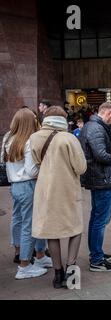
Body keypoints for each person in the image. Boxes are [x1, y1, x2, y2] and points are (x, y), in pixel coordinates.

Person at [30, 106, 87, 288]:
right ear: (63, 119)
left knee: (51, 232)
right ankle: (71, 272)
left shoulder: (34, 137)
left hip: (45, 190)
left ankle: (57, 273)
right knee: (75, 228)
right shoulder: (69, 138)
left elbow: (36, 163)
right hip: (67, 190)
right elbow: (81, 167)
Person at [1, 108, 51, 280]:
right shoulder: (29, 141)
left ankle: (29, 254)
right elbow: (31, 170)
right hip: (28, 185)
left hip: (14, 185)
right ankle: (25, 266)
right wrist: (44, 167)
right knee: (30, 225)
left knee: (19, 219)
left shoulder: (8, 138)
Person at [79, 102, 111, 272]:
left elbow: (99, 152)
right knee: (100, 219)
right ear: (107, 113)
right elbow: (100, 155)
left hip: (98, 178)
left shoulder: (92, 126)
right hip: (101, 179)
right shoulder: (96, 128)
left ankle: (97, 253)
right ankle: (96, 259)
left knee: (97, 218)